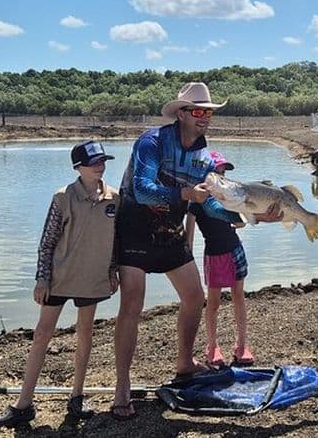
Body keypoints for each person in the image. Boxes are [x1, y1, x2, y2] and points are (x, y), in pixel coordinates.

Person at [111, 83, 282, 420]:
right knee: (132, 304)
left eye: (210, 112)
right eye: (200, 111)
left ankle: (185, 362)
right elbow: (144, 191)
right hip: (134, 229)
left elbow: (212, 208)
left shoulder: (205, 157)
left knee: (194, 298)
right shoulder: (152, 142)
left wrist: (252, 216)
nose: (206, 118)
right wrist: (187, 193)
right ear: (182, 114)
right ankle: (122, 386)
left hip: (170, 232)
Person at [0, 141, 119, 428]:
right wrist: (42, 278)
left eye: (103, 160)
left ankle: (77, 397)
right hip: (59, 277)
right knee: (41, 335)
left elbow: (115, 243)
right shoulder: (62, 197)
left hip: (93, 278)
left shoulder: (114, 199)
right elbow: (47, 242)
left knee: (85, 334)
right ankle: (24, 404)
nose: (101, 165)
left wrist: (112, 271)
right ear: (78, 167)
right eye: (94, 161)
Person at [185, 150, 255, 367]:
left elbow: (242, 221)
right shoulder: (197, 201)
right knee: (213, 303)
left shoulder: (228, 199)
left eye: (224, 173)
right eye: (219, 172)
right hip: (214, 254)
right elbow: (189, 233)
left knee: (238, 297)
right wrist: (186, 261)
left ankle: (242, 345)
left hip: (235, 249)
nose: (222, 176)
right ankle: (212, 345)